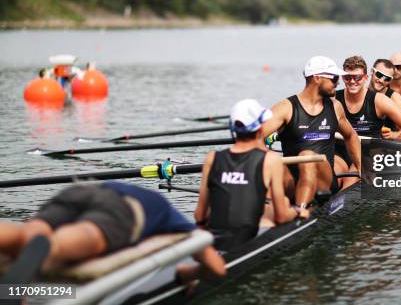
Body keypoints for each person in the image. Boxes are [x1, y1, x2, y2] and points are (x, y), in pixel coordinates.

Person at [0, 182, 226, 281]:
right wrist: (189, 274)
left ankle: (32, 242)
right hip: (123, 209)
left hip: (83, 190)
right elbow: (217, 270)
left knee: (28, 233)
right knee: (79, 237)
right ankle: (50, 248)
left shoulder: (171, 216)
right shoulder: (182, 226)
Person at [193, 99, 309, 253]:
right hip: (247, 238)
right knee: (284, 203)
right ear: (261, 128)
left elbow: (200, 216)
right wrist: (298, 212)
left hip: (214, 238)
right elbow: (281, 216)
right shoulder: (271, 159)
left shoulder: (212, 158)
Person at [262, 56, 362, 208]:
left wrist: (361, 169)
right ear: (317, 78)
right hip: (291, 180)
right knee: (271, 161)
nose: (339, 83)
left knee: (307, 157)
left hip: (325, 182)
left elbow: (350, 136)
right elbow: (253, 138)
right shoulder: (285, 108)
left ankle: (301, 213)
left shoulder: (335, 107)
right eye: (334, 78)